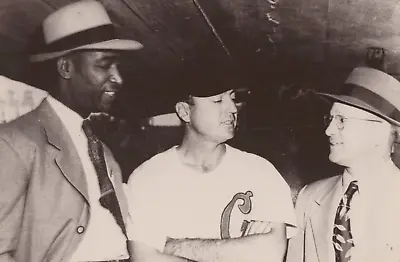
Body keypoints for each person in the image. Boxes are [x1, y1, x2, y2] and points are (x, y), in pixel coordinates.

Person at [0, 1, 143, 261]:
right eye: (104, 65)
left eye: (118, 66)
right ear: (66, 68)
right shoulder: (13, 142)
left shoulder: (102, 151)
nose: (118, 78)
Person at [125, 56, 297, 262]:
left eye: (233, 98)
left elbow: (269, 254)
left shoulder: (261, 171)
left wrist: (173, 246)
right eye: (217, 101)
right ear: (184, 112)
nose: (233, 109)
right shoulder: (148, 177)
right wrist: (241, 248)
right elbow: (145, 259)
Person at [286, 66, 400, 262]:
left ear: (377, 132)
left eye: (341, 120)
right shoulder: (310, 197)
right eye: (329, 119)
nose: (328, 130)